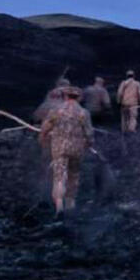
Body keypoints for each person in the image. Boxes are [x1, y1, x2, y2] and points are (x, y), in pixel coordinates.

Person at [39, 86, 93, 214]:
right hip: (77, 149)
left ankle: (59, 206)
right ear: (78, 97)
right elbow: (89, 133)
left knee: (59, 176)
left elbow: (44, 129)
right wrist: (89, 144)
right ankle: (71, 205)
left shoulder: (56, 111)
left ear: (65, 96)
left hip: (59, 148)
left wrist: (43, 139)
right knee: (73, 176)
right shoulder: (83, 113)